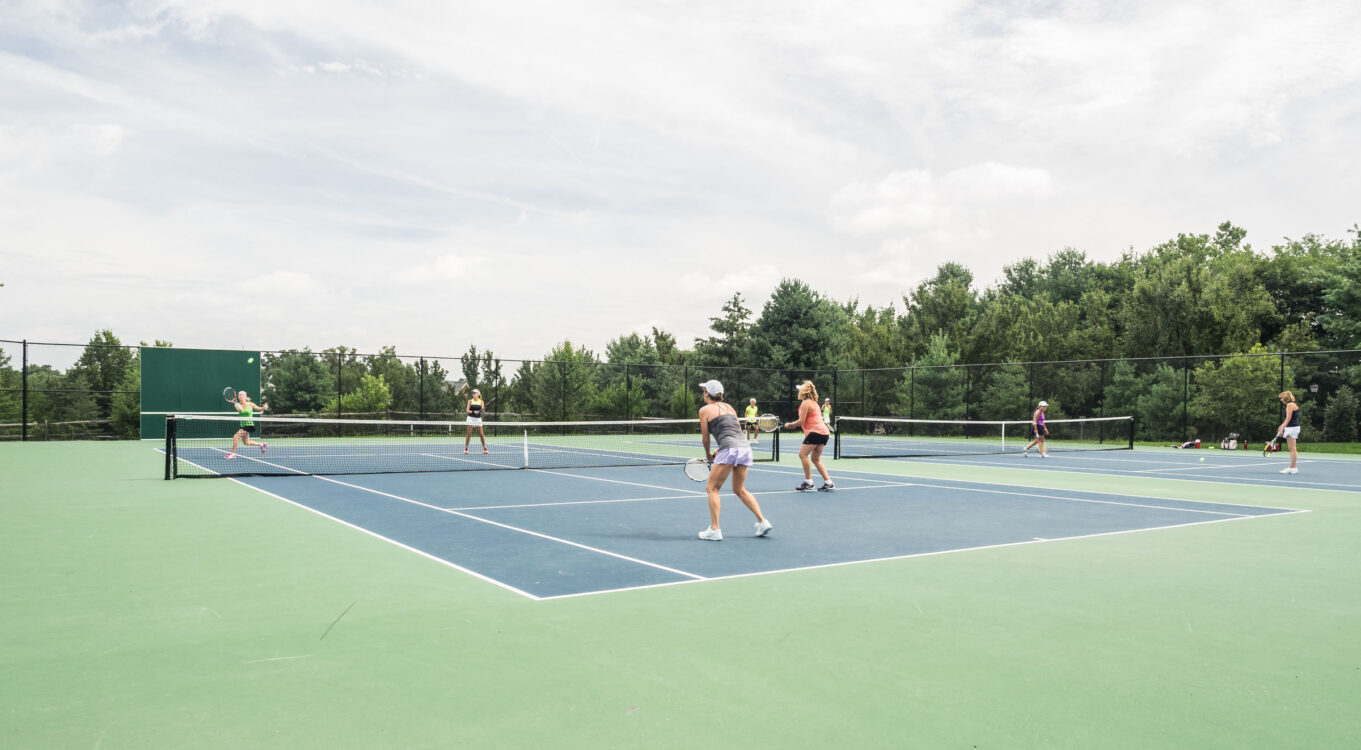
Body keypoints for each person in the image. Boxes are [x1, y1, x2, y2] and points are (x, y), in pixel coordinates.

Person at [696, 380, 772, 541]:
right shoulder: (729, 407)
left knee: (712, 488)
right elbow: (737, 430)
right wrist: (721, 449)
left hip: (730, 448)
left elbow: (705, 438)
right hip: (744, 448)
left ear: (707, 393)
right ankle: (762, 521)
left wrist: (709, 453)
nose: (703, 393)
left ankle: (715, 529)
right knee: (740, 489)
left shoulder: (704, 410)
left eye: (704, 390)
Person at [786, 380, 834, 491]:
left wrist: (790, 424)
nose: (798, 392)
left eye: (799, 390)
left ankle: (809, 482)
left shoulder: (805, 403)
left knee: (802, 455)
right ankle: (829, 482)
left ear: (804, 392)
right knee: (815, 458)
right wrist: (793, 425)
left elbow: (801, 421)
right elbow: (806, 421)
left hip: (815, 432)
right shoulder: (814, 403)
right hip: (824, 433)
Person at [225, 390, 268, 459]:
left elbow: (259, 409)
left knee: (236, 436)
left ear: (245, 396)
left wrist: (264, 407)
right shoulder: (236, 405)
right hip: (243, 425)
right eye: (239, 395)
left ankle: (232, 454)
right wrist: (239, 406)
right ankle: (262, 445)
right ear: (238, 397)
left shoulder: (251, 404)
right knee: (246, 442)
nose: (241, 396)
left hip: (249, 425)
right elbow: (241, 410)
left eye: (242, 394)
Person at [1276, 390, 1301, 474]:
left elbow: (1288, 418)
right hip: (1293, 427)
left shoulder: (1289, 405)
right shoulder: (1293, 404)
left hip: (1292, 428)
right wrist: (1281, 426)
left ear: (1285, 398)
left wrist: (1282, 429)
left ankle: (1293, 468)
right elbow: (1290, 419)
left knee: (1292, 448)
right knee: (1292, 448)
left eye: (1282, 398)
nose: (1281, 400)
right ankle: (1292, 467)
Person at [464, 388, 488, 455]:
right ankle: (466, 448)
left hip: (478, 419)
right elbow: (467, 411)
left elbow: (482, 412)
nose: (473, 394)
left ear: (478, 394)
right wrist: (474, 412)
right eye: (473, 393)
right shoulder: (470, 401)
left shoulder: (481, 402)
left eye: (475, 393)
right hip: (470, 418)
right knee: (469, 434)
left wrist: (483, 410)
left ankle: (484, 448)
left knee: (481, 434)